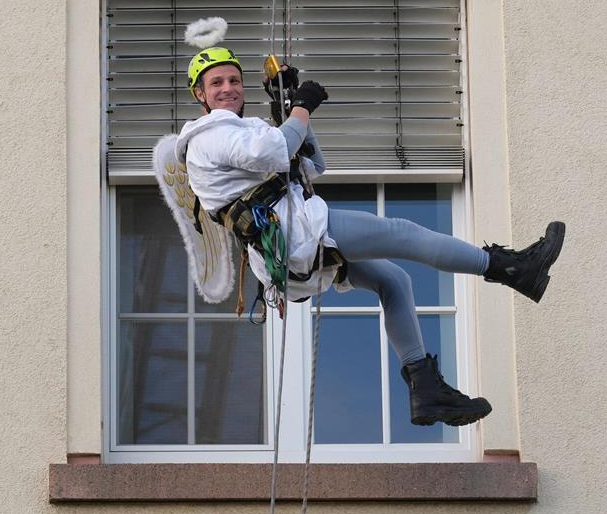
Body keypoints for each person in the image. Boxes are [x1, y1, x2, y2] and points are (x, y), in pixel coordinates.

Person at [175, 47, 565, 427]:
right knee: (402, 233)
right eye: (216, 83)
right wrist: (301, 108)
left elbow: (312, 165)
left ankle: (424, 388)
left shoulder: (246, 131)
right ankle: (510, 268)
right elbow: (273, 152)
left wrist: (287, 112)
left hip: (291, 245)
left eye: (234, 80)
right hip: (295, 234)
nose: (228, 88)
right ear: (200, 94)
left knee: (393, 280)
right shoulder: (208, 133)